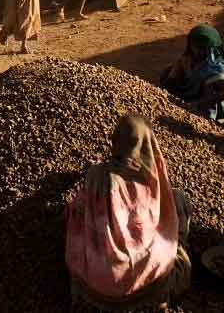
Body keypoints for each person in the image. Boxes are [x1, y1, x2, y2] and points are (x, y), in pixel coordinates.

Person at [65, 115, 192, 310]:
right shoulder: (156, 183)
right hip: (150, 283)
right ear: (148, 143)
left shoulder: (97, 175)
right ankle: (157, 294)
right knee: (178, 202)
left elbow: (73, 214)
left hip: (97, 284)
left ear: (115, 142)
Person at [160, 24, 224, 120]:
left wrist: (195, 105)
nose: (199, 51)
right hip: (185, 102)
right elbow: (166, 86)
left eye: (203, 48)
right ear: (190, 45)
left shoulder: (215, 66)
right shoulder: (186, 60)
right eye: (196, 47)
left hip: (206, 108)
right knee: (167, 71)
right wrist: (174, 73)